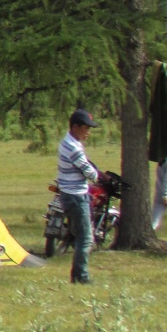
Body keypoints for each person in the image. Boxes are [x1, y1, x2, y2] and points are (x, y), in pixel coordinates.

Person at [57, 108, 101, 284]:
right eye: (86, 128)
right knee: (86, 238)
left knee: (80, 235)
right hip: (76, 195)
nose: (88, 132)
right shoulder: (73, 147)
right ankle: (81, 277)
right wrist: (98, 176)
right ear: (75, 127)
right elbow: (88, 171)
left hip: (68, 194)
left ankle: (77, 274)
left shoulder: (67, 142)